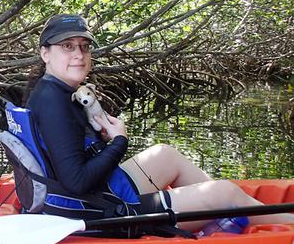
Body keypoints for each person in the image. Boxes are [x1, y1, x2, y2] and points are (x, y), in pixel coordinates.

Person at [25, 13, 294, 230]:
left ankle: (222, 214)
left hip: (92, 195)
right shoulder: (54, 102)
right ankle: (253, 216)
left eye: (84, 47)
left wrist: (103, 139)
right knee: (224, 192)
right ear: (45, 53)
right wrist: (119, 141)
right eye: (67, 47)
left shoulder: (52, 90)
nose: (79, 55)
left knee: (166, 155)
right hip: (97, 211)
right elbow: (78, 182)